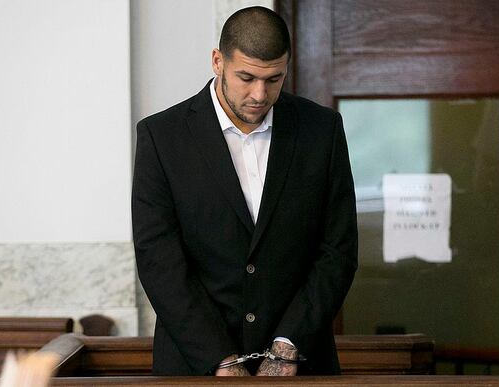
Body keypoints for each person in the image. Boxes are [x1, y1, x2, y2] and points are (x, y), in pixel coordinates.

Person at [132, 6, 357, 376]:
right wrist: (219, 359)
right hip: (195, 366)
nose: (259, 93)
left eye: (274, 79)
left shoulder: (322, 130)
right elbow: (159, 262)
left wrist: (288, 345)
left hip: (302, 363)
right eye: (246, 77)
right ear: (218, 61)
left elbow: (338, 250)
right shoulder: (162, 137)